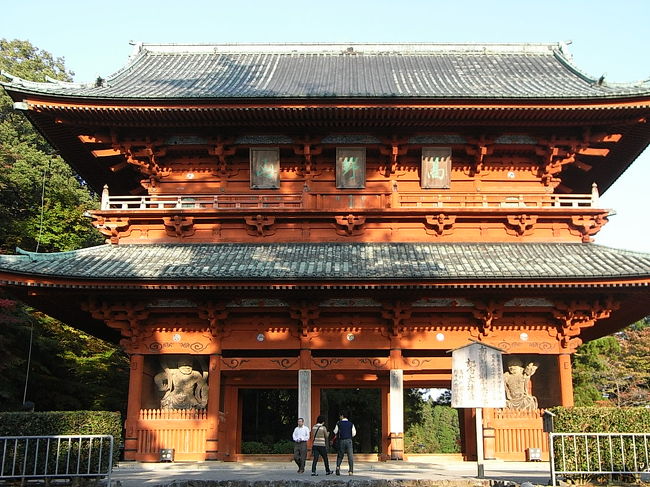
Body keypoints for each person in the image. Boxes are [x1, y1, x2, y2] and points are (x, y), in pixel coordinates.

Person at [333, 411, 356, 476]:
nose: (339, 417)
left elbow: (335, 431)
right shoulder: (351, 424)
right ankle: (350, 471)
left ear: (342, 416)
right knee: (350, 456)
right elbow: (354, 433)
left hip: (342, 440)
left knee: (340, 455)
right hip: (349, 440)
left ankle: (338, 467)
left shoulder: (339, 423)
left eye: (340, 416)